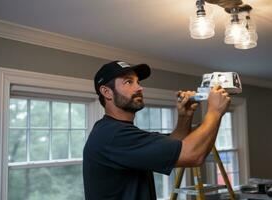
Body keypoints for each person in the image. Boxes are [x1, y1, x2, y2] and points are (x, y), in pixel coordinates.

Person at [83, 60, 231, 200]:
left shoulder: (116, 130)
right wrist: (215, 112)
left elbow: (174, 145)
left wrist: (184, 117)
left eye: (138, 82)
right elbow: (193, 155)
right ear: (107, 92)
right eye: (129, 82)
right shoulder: (113, 135)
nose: (139, 88)